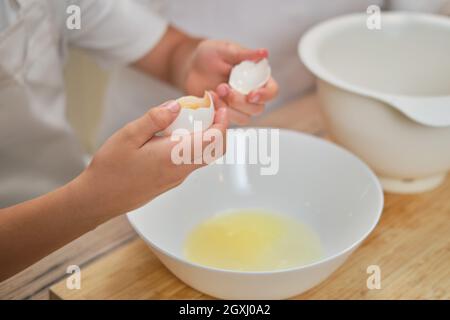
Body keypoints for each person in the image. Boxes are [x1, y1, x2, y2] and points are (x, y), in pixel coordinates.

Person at [0, 0, 278, 281]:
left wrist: (189, 64)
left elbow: (165, 49)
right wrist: (96, 197)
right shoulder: (90, 200)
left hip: (69, 213)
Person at [97, 0, 450, 145]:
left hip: (310, 116)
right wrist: (179, 58)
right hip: (160, 117)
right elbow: (90, 13)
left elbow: (407, 28)